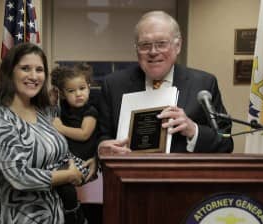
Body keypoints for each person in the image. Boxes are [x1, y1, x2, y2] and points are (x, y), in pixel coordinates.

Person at [0, 43, 90, 224]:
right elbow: (19, 176)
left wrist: (89, 165)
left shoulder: (43, 113)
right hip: (18, 218)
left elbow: (61, 156)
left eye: (39, 69)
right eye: (25, 68)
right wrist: (69, 175)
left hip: (57, 214)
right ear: (10, 72)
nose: (33, 76)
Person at [97, 10, 234, 154]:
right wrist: (102, 148)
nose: (153, 51)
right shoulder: (113, 85)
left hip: (184, 175)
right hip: (127, 175)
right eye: (145, 45)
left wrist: (193, 130)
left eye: (161, 43)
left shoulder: (204, 84)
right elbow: (101, 137)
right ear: (136, 49)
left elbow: (225, 141)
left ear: (178, 46)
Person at [50, 63, 101, 219]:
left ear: (89, 87)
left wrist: (61, 128)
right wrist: (53, 101)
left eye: (82, 88)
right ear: (63, 94)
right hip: (67, 157)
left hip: (84, 161)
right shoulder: (64, 107)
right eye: (71, 91)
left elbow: (84, 134)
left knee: (64, 184)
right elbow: (52, 116)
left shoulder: (90, 110)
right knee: (52, 182)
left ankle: (75, 215)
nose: (78, 94)